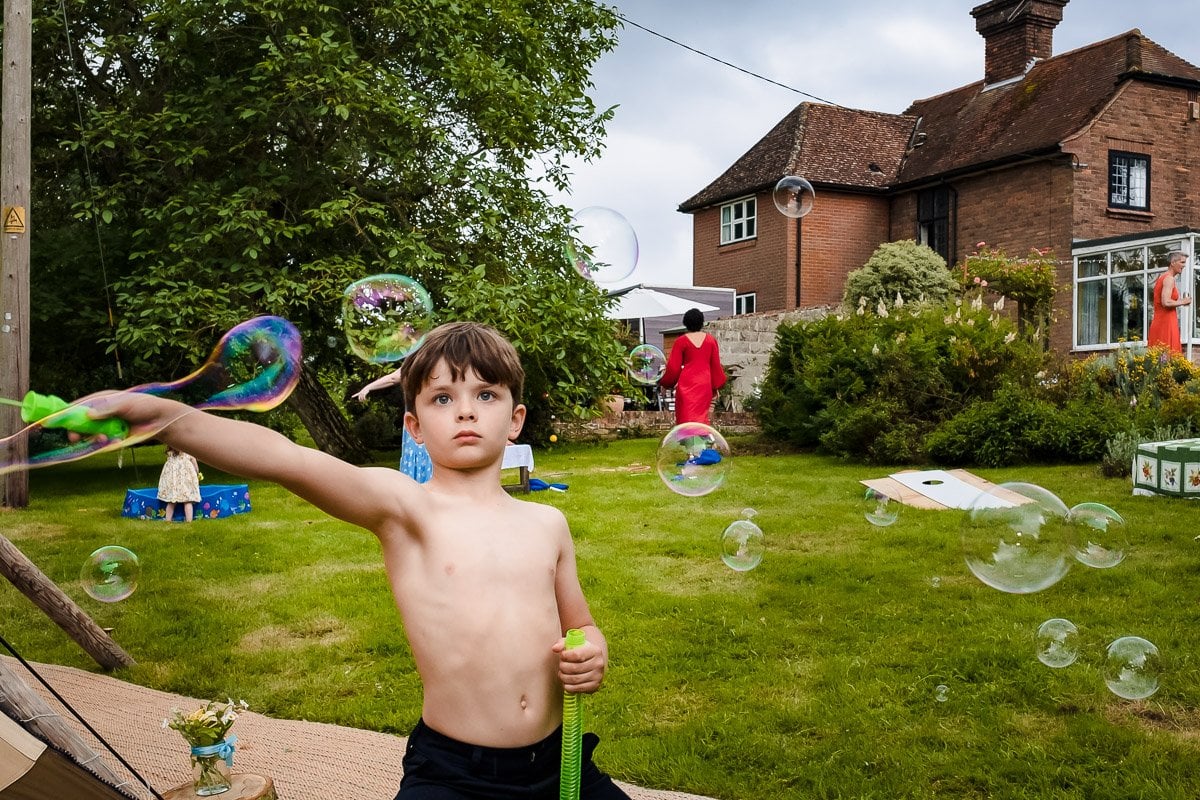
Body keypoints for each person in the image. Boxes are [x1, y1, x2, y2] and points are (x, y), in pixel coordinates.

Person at [85, 322, 629, 800]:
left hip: (562, 767)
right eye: (442, 398)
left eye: (486, 394)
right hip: (456, 773)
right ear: (414, 427)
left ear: (515, 419)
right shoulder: (405, 508)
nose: (465, 409)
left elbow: (579, 624)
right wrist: (156, 415)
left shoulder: (547, 524)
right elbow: (289, 461)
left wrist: (593, 650)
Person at [354, 369, 433, 483]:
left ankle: (417, 492)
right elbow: (394, 377)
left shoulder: (418, 360)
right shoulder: (437, 359)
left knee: (421, 455)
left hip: (418, 422)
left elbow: (394, 377)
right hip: (429, 420)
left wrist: (368, 387)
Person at [660, 308, 726, 425]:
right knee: (702, 420)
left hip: (687, 384)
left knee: (686, 420)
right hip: (704, 385)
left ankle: (689, 442)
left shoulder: (681, 341)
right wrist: (716, 386)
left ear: (686, 323)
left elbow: (674, 368)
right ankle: (703, 442)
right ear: (702, 322)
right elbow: (716, 366)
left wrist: (665, 383)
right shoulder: (711, 341)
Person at [1147, 251, 1192, 354]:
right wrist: (1183, 301)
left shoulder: (1164, 277)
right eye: (1182, 262)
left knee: (1162, 357)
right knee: (1166, 355)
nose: (1184, 266)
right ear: (1173, 262)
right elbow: (1166, 302)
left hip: (1164, 320)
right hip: (1165, 322)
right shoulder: (1169, 279)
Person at [157, 445, 201, 523]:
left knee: (171, 502)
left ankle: (168, 520)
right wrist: (197, 473)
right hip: (185, 484)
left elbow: (166, 473)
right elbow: (196, 468)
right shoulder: (189, 453)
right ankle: (189, 521)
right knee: (188, 501)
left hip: (173, 485)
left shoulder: (170, 454)